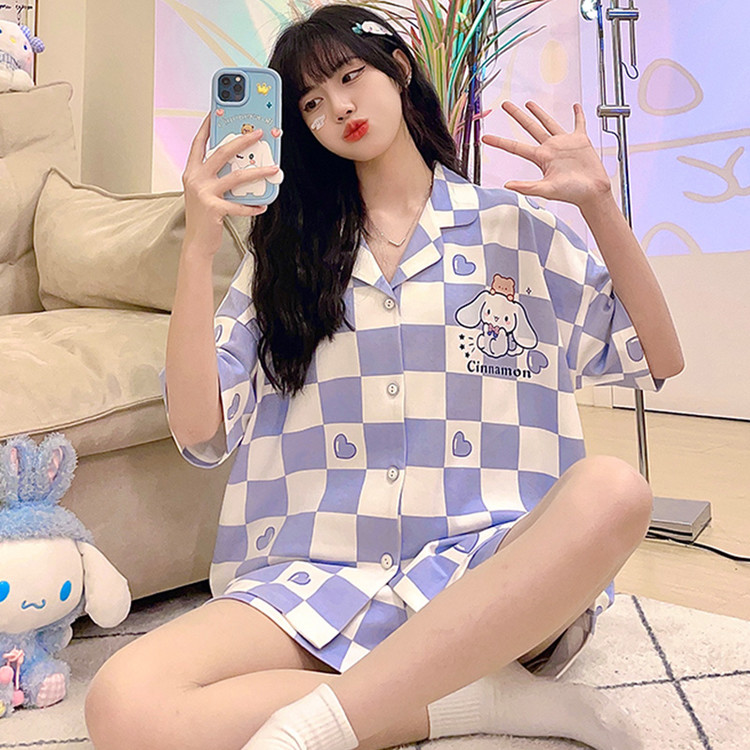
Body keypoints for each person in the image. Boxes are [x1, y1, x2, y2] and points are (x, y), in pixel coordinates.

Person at [84, 4, 684, 750]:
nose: (337, 107)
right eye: (310, 102)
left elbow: (656, 356)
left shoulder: (511, 228)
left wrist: (599, 205)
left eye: (348, 76)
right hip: (318, 576)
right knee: (121, 704)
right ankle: (486, 701)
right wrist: (198, 247)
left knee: (615, 490)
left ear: (398, 70)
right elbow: (199, 430)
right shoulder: (287, 258)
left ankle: (323, 724)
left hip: (487, 575)